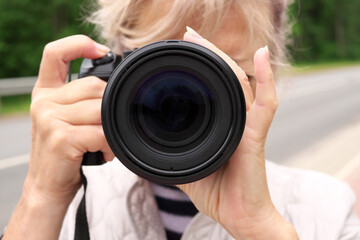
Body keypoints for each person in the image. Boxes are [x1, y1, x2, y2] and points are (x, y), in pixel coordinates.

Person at [2, 0, 360, 239]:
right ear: (110, 73)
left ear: (268, 81)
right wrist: (41, 196)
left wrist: (261, 228)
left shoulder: (326, 208)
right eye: (165, 68)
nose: (189, 100)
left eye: (229, 77)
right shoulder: (66, 207)